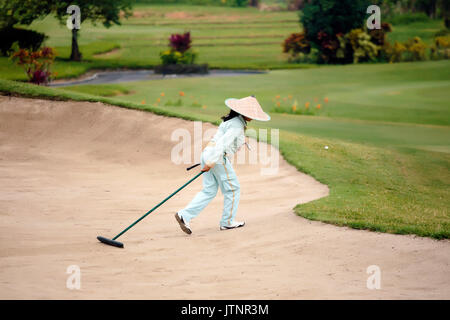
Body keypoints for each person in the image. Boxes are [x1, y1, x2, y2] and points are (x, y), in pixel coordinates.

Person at [175, 95, 270, 234]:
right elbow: (222, 144)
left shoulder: (232, 121)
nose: (253, 117)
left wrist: (210, 159)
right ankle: (227, 222)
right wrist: (211, 162)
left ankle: (184, 215)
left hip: (209, 154)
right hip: (217, 158)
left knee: (209, 190)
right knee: (233, 189)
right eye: (251, 114)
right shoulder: (237, 125)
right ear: (242, 113)